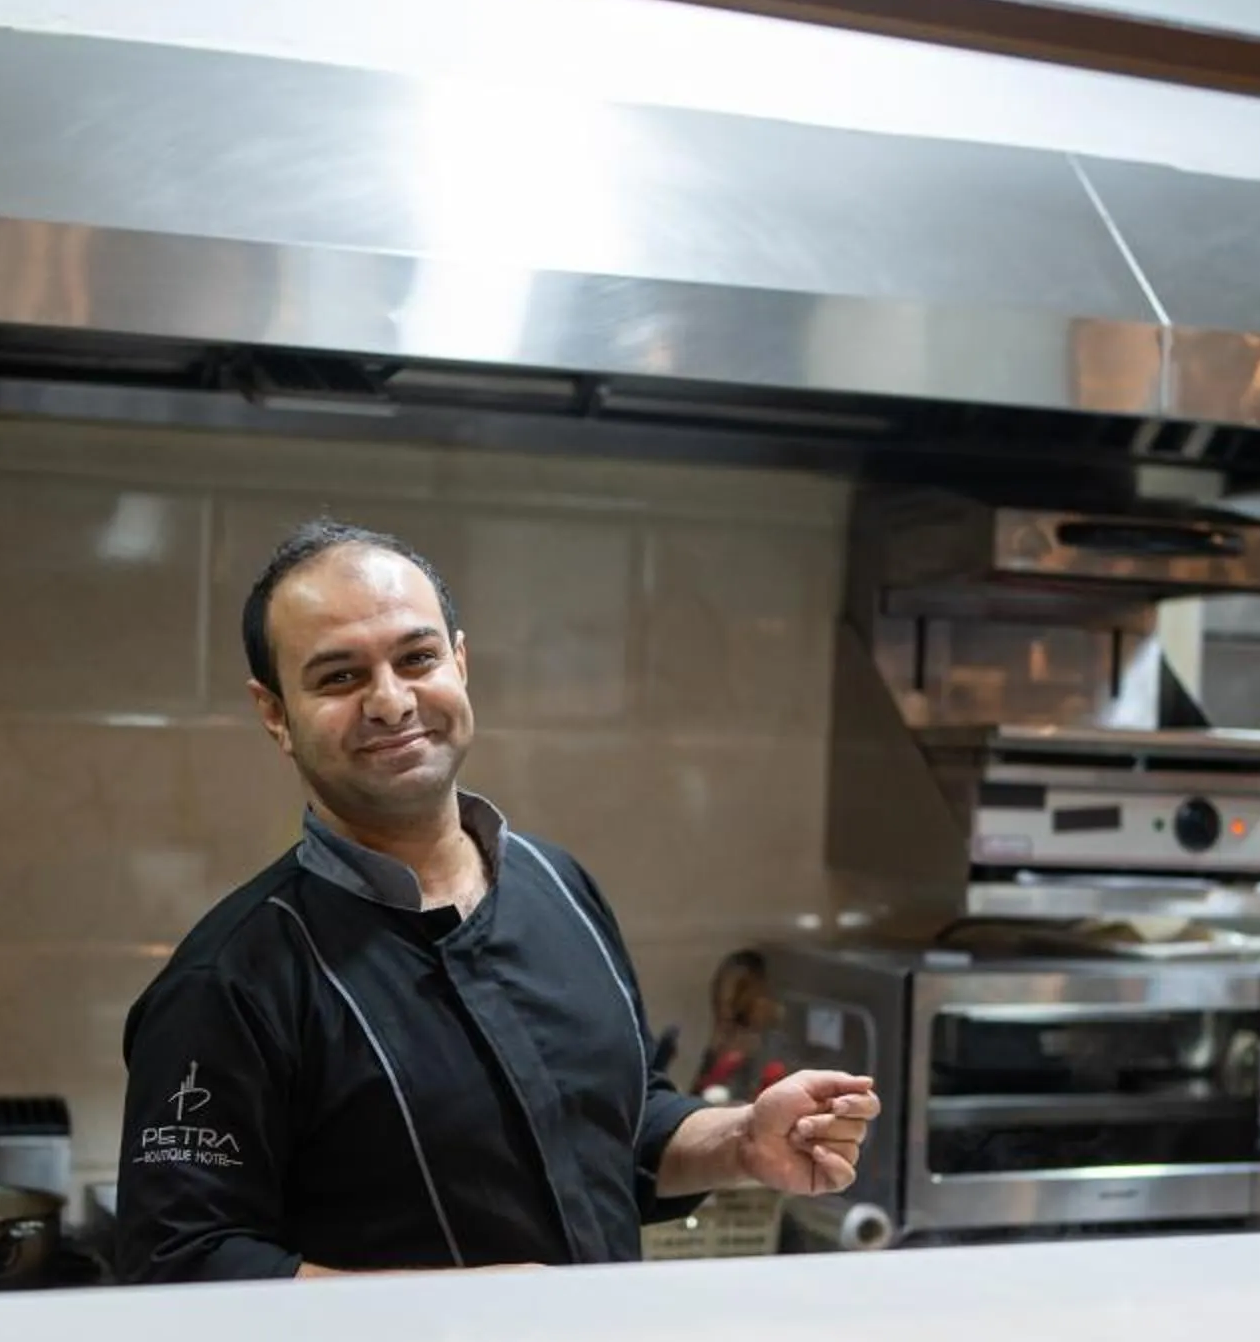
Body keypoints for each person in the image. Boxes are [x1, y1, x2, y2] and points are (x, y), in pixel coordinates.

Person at [114, 518, 879, 1282]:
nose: (389, 701)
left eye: (417, 657)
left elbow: (620, 1125)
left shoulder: (559, 887)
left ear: (461, 662)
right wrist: (455, 1306)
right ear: (275, 712)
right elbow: (179, 1263)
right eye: (338, 676)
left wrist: (743, 1140)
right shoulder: (231, 980)